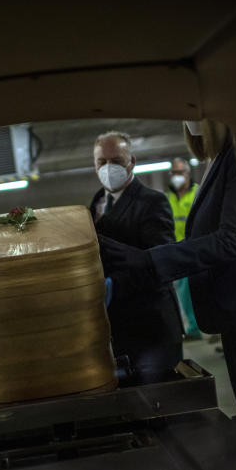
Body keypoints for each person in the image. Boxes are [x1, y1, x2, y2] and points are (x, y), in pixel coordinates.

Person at [99, 120, 236, 414]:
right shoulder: (218, 160)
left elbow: (235, 240)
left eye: (193, 112)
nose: (188, 121)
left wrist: (151, 260)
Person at [88, 131, 183, 382]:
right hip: (117, 329)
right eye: (102, 162)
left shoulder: (152, 202)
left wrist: (114, 285)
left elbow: (160, 263)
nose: (109, 168)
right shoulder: (95, 204)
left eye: (116, 160)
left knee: (158, 404)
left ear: (132, 161)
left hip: (151, 326)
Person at [166, 157, 202, 340]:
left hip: (198, 250)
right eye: (173, 173)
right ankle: (193, 328)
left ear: (188, 174)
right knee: (184, 293)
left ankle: (203, 325)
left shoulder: (198, 193)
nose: (176, 176)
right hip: (178, 253)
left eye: (180, 172)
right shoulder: (168, 199)